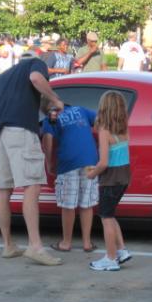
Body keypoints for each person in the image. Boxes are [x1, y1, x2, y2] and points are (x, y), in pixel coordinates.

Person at [0, 52, 65, 266]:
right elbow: (36, 79)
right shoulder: (36, 63)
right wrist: (56, 99)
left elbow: (23, 98)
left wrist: (45, 105)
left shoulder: (4, 76)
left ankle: (8, 245)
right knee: (32, 186)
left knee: (4, 190)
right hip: (20, 131)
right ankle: (35, 246)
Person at [41, 97, 99, 253]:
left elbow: (47, 139)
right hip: (90, 160)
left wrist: (48, 162)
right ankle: (87, 243)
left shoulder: (50, 118)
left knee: (68, 205)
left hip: (68, 162)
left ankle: (66, 243)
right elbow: (100, 121)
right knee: (86, 203)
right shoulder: (80, 109)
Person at [86, 91, 132, 271]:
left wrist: (92, 173)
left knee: (105, 218)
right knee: (110, 215)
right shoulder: (124, 128)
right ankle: (121, 250)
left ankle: (110, 258)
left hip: (110, 179)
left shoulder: (104, 130)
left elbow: (104, 162)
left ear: (103, 108)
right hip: (123, 177)